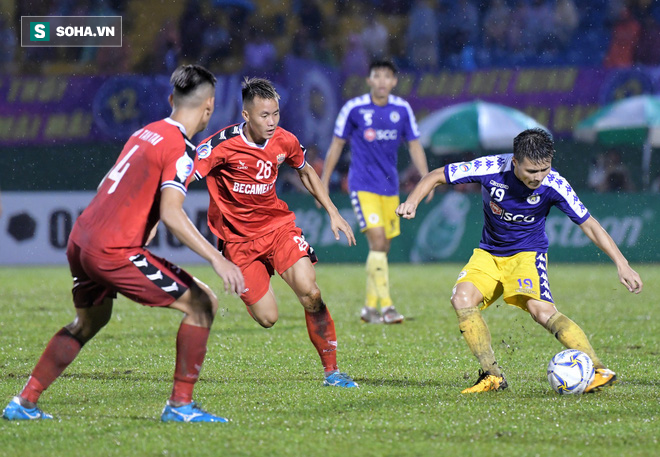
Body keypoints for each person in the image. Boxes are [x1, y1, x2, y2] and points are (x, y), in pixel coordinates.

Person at [2, 65, 245, 422]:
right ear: (209, 107)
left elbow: (108, 184)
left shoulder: (145, 132)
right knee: (202, 303)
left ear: (170, 100)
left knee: (89, 321)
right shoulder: (181, 148)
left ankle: (23, 402)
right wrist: (217, 259)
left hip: (81, 241)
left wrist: (140, 224)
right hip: (112, 251)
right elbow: (174, 213)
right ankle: (180, 406)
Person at [396, 128, 643, 393]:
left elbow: (590, 224)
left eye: (544, 169)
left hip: (527, 255)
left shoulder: (554, 184)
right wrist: (412, 201)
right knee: (461, 299)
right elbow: (436, 175)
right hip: (489, 253)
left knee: (542, 311)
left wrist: (621, 262)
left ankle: (597, 369)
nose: (538, 177)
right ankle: (492, 376)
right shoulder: (490, 167)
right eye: (531, 171)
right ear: (514, 162)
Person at [194, 77, 359, 388]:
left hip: (277, 228)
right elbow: (181, 178)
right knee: (268, 318)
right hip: (238, 242)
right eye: (263, 116)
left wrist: (333, 212)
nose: (271, 122)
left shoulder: (284, 140)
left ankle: (332, 372)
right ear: (246, 116)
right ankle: (255, 282)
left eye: (275, 114)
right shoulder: (219, 146)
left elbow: (306, 170)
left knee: (310, 291)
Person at [320, 59, 431, 324]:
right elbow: (336, 145)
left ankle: (369, 308)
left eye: (387, 77)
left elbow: (414, 146)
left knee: (383, 247)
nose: (381, 81)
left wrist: (427, 180)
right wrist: (323, 182)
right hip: (361, 186)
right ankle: (387, 307)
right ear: (369, 80)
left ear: (394, 81)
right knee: (378, 241)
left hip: (390, 188)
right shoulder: (354, 108)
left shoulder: (402, 109)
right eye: (376, 76)